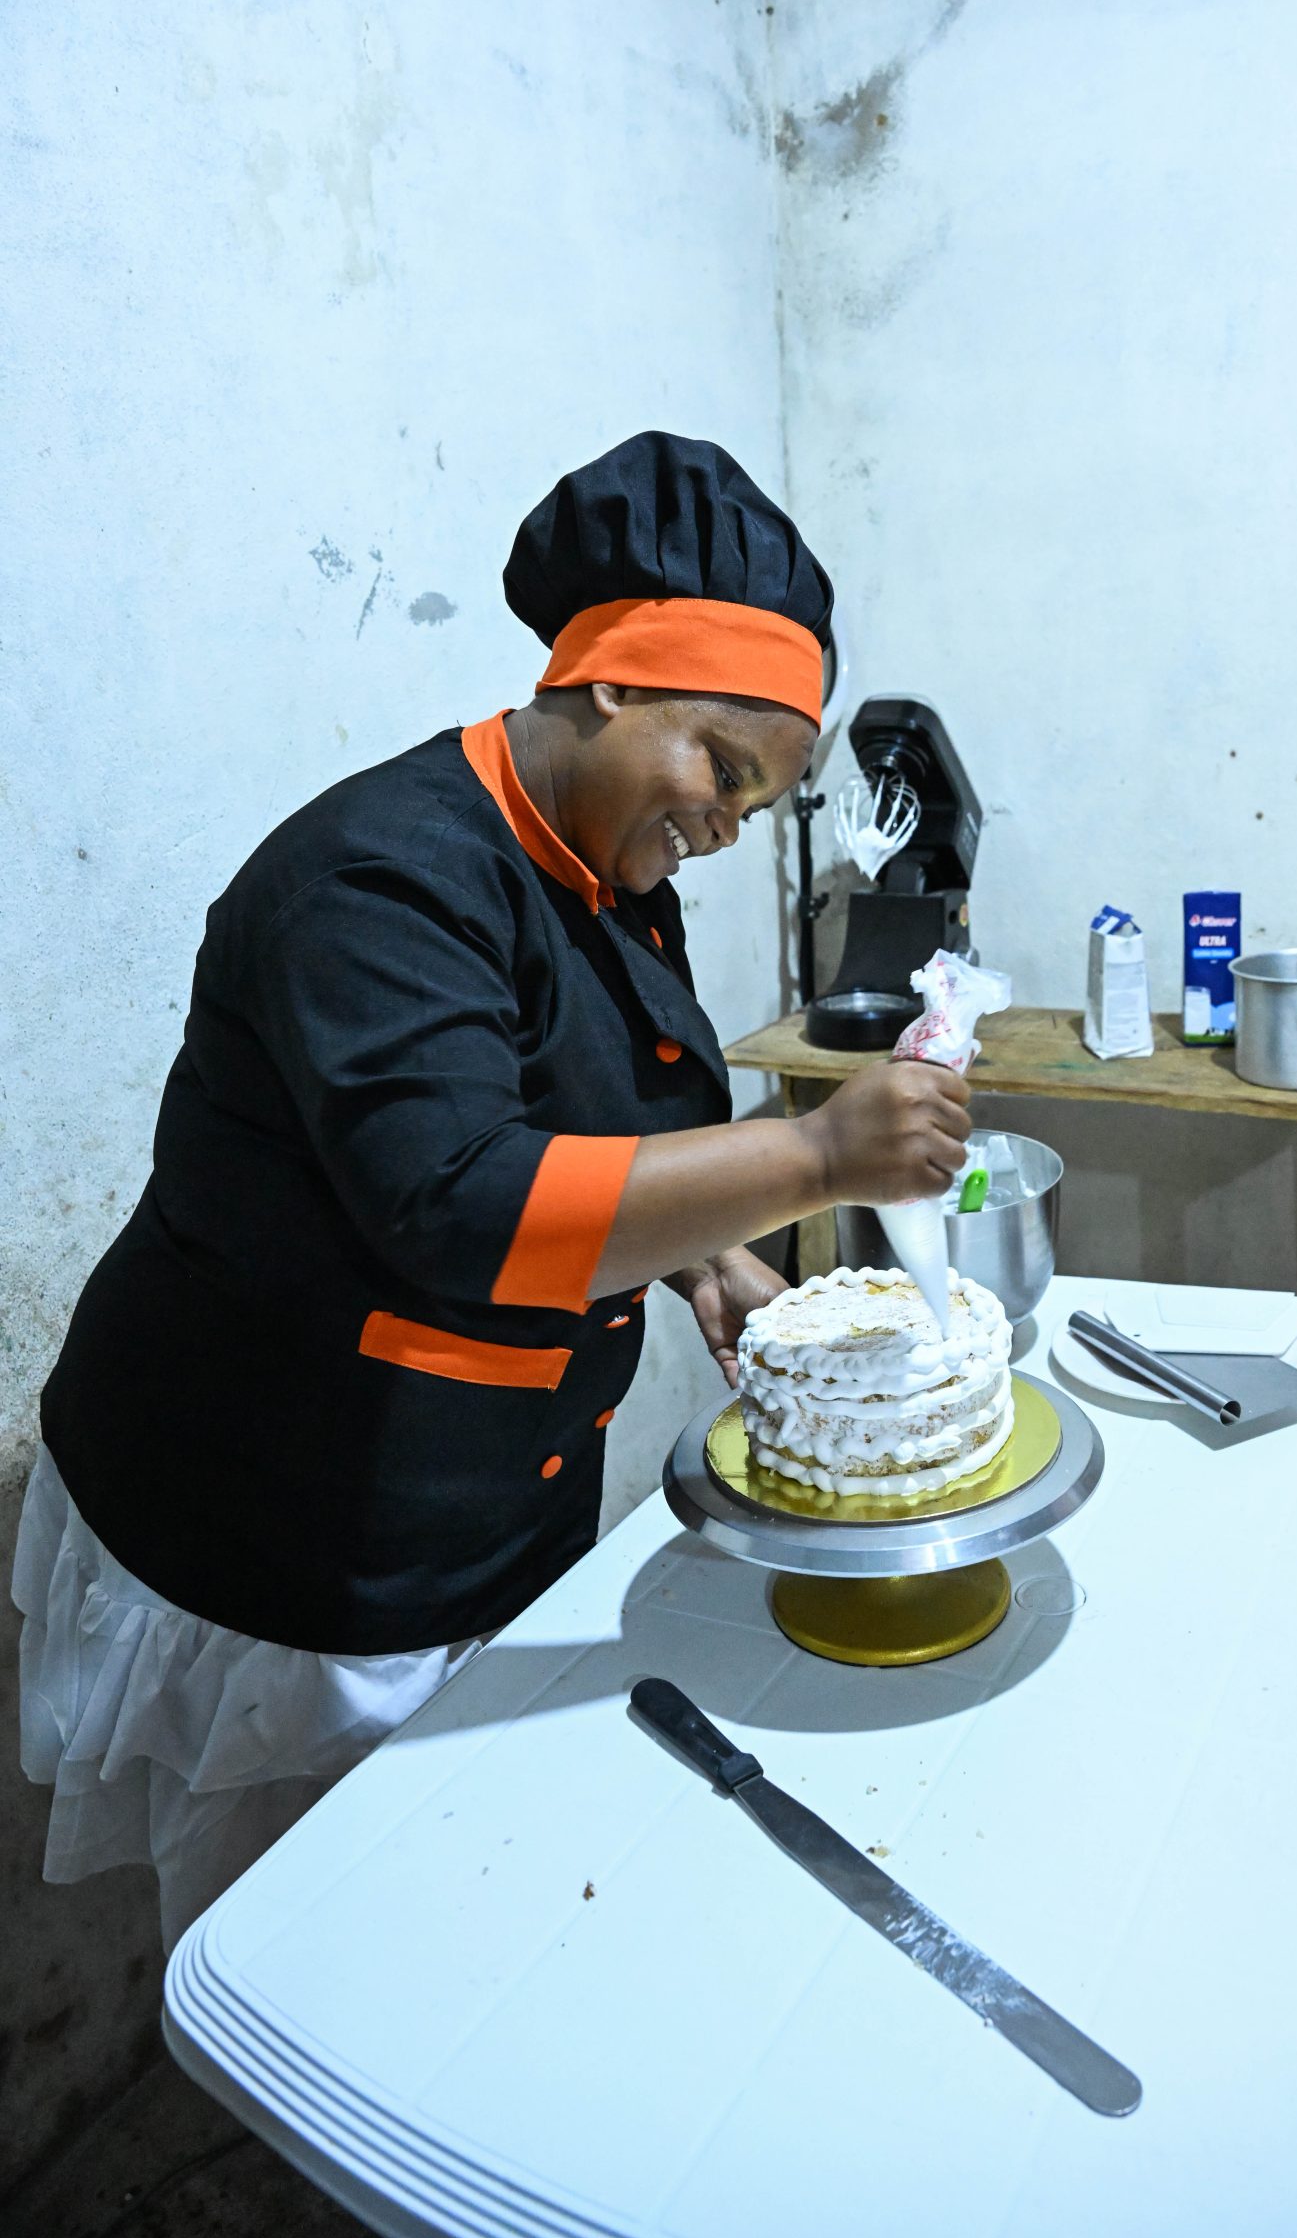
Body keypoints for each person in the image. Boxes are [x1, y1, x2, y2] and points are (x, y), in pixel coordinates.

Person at [13, 430, 971, 1945]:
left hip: (478, 1499)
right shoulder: (377, 880)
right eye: (720, 766)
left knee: (438, 1904)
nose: (723, 824)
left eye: (757, 802)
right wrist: (810, 1158)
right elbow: (459, 1202)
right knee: (308, 1942)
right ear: (607, 678)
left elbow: (591, 1126)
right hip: (284, 1507)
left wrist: (704, 1257)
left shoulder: (610, 874)